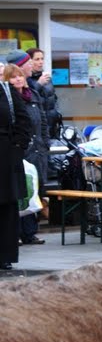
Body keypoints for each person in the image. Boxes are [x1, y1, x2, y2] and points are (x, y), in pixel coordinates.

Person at [4, 63, 46, 246]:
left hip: (37, 148)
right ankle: (18, 233)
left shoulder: (33, 95)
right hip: (20, 150)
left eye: (20, 75)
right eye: (13, 77)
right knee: (19, 192)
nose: (18, 79)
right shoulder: (8, 98)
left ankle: (30, 232)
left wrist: (45, 142)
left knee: (33, 191)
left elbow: (42, 121)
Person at [0, 64, 31, 270]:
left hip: (5, 156)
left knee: (6, 206)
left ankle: (4, 255)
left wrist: (17, 148)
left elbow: (24, 121)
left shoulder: (7, 92)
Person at [25, 48, 61, 138]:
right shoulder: (25, 79)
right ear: (29, 62)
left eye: (42, 58)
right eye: (37, 59)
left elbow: (53, 98)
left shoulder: (47, 78)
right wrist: (39, 84)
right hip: (38, 124)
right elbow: (28, 98)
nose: (41, 62)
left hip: (52, 122)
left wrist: (57, 113)